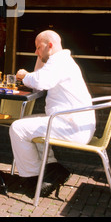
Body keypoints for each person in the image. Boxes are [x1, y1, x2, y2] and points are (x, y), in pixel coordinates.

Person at [9, 30, 96, 196]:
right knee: (29, 123)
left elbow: (40, 82)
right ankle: (53, 169)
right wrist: (40, 55)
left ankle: (34, 179)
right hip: (72, 123)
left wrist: (25, 75)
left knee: (17, 128)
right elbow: (37, 84)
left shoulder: (59, 62)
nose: (35, 52)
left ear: (50, 46)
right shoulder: (60, 60)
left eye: (38, 47)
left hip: (72, 127)